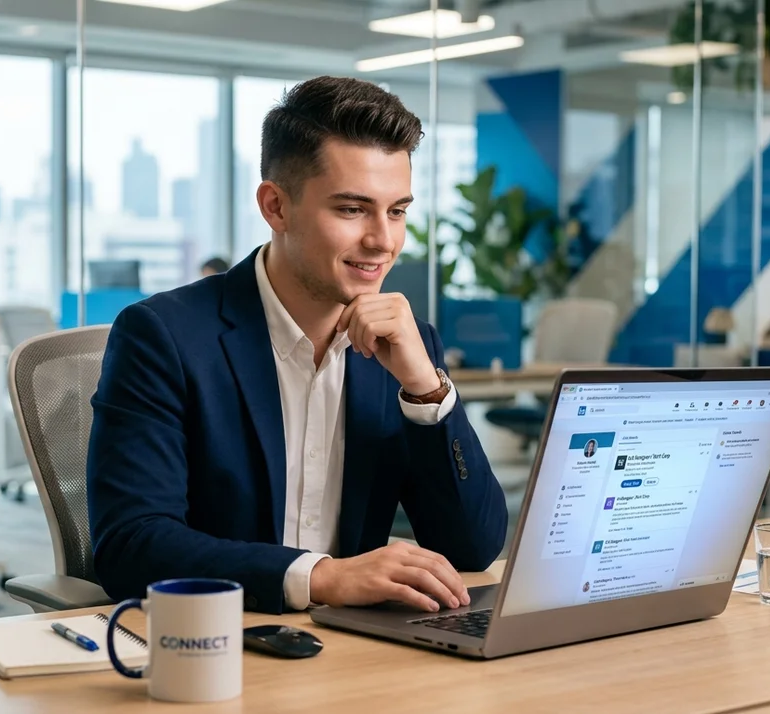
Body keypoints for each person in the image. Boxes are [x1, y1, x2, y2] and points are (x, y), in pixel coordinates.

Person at [88, 76, 508, 616]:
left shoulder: (408, 343)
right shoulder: (163, 336)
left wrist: (426, 389)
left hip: (361, 652)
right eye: (353, 210)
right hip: (223, 643)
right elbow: (132, 545)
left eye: (397, 211)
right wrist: (323, 577)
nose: (383, 240)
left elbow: (473, 548)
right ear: (276, 207)